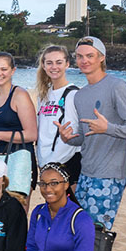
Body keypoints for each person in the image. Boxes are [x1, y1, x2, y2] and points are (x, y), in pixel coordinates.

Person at [58, 36, 126, 251]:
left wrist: (109, 128)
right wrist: (69, 138)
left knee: (97, 237)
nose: (84, 61)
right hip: (87, 172)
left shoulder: (117, 86)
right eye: (80, 56)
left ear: (102, 57)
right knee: (84, 234)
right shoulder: (81, 95)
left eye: (90, 56)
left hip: (110, 174)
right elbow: (86, 137)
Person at [0, 52, 38, 205]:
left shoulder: (20, 95)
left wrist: (0, 135)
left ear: (13, 70)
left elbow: (32, 134)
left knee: (16, 212)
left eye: (3, 69)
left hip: (20, 161)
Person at [34, 46, 81, 188]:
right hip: (45, 163)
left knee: (68, 208)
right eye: (49, 63)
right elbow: (42, 132)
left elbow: (72, 135)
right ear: (43, 65)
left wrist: (52, 164)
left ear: (67, 64)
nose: (54, 67)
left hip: (66, 163)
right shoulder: (43, 95)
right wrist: (42, 162)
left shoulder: (74, 94)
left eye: (59, 62)